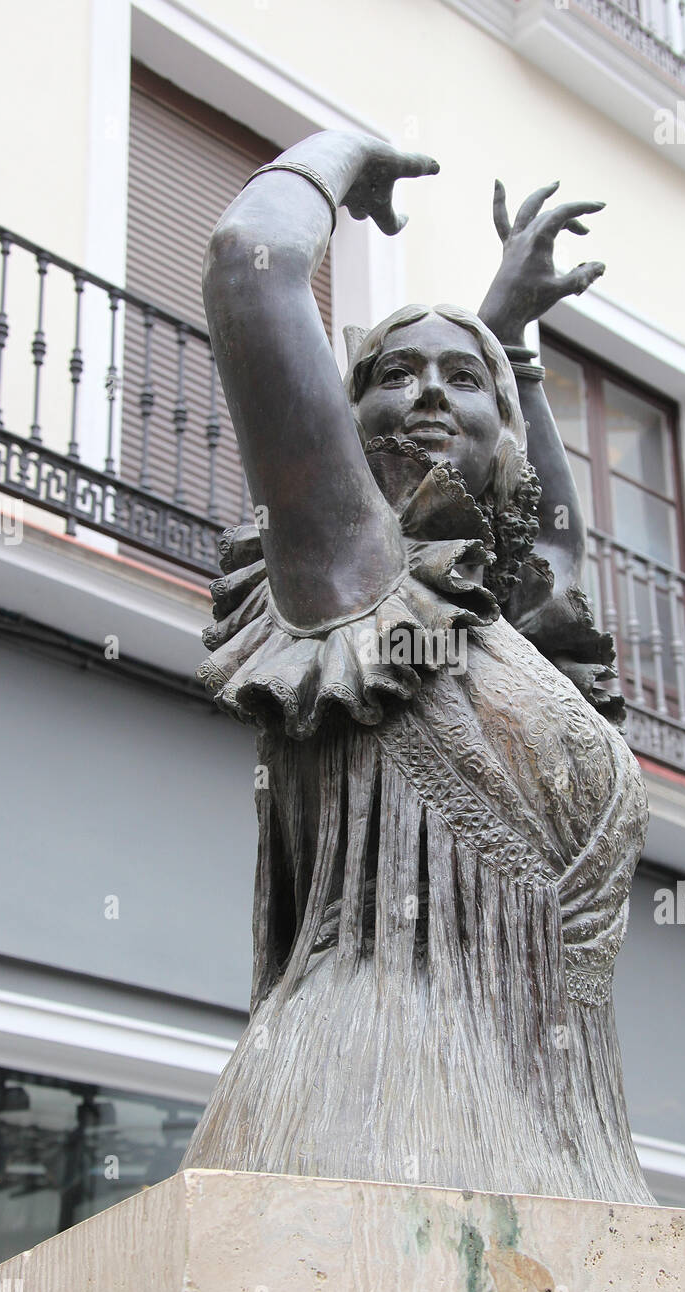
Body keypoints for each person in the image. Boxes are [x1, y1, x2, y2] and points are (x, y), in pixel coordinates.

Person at [182, 132, 653, 1203]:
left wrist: (512, 334)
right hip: (366, 1113)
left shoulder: (509, 645)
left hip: (559, 1135)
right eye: (392, 375)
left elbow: (550, 562)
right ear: (344, 427)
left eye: (461, 381)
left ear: (508, 438)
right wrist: (344, 156)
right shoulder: (350, 579)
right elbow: (247, 266)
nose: (428, 395)